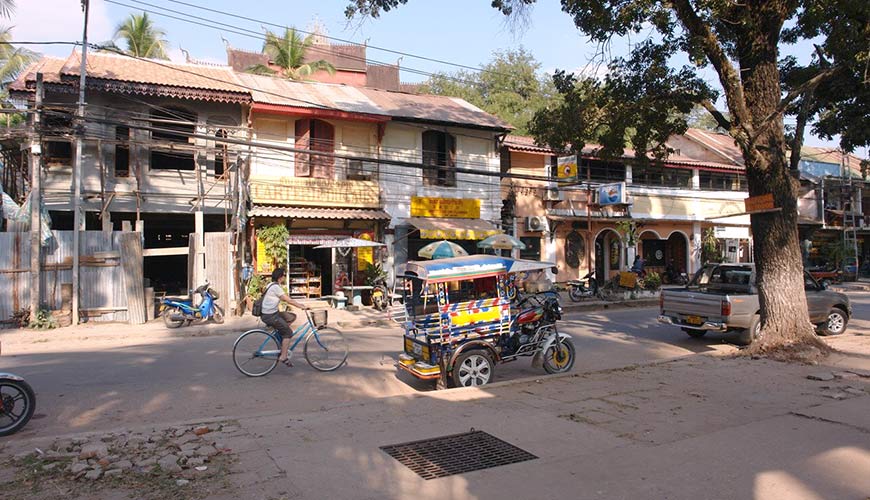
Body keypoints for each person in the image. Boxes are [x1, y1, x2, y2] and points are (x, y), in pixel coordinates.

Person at [261, 268, 309, 367]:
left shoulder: (271, 285)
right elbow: (288, 300)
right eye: (284, 276)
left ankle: (282, 337)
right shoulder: (276, 288)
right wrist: (301, 306)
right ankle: (283, 356)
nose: (284, 278)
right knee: (288, 333)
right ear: (280, 277)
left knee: (291, 316)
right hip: (270, 316)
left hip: (271, 313)